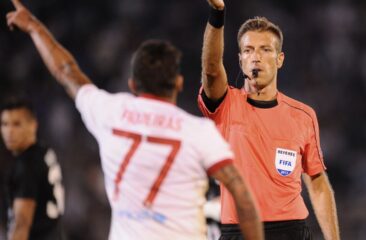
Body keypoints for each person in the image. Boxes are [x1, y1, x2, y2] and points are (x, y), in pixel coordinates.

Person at [6, 1, 264, 239]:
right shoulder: (198, 132)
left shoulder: (110, 112)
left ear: (132, 84)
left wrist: (34, 28)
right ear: (178, 84)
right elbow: (241, 195)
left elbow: (66, 72)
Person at [198, 0, 340, 239]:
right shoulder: (226, 104)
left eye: (265, 50)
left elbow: (317, 182)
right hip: (239, 230)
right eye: (248, 50)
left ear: (280, 59)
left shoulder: (303, 115)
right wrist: (217, 14)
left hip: (291, 229)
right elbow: (211, 69)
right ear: (241, 59)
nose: (256, 57)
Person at [0, 97, 65, 240]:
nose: (9, 131)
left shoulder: (26, 165)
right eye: (4, 124)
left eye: (17, 124)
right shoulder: (44, 152)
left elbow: (22, 224)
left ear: (33, 125)